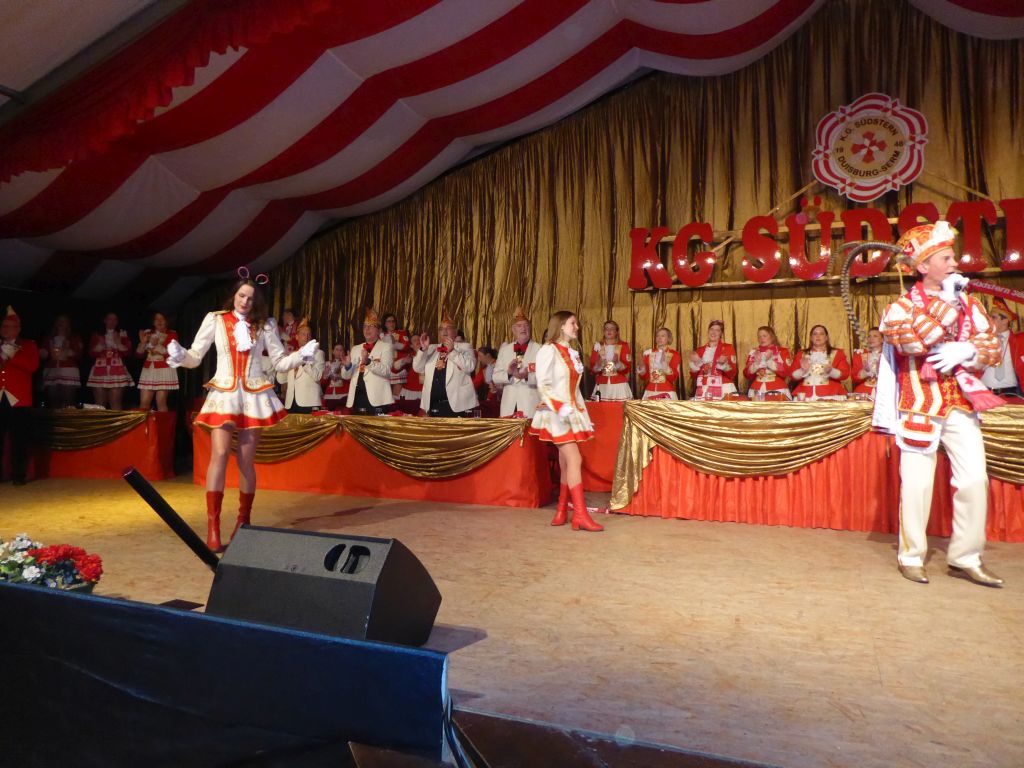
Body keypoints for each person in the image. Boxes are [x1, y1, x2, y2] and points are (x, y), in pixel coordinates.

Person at [875, 221, 1003, 587]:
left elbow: (992, 349)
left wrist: (969, 350)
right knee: (917, 486)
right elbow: (914, 342)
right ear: (923, 266)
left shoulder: (970, 304)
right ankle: (911, 556)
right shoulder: (900, 307)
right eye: (945, 258)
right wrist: (947, 304)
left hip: (961, 402)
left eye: (952, 257)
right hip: (919, 405)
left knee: (974, 480)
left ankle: (966, 556)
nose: (954, 263)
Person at [167, 273, 319, 551]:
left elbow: (280, 362)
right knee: (220, 453)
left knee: (246, 461)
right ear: (233, 296)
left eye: (250, 298)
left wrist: (301, 355)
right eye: (241, 295)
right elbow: (196, 356)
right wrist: (180, 356)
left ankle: (243, 520)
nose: (245, 301)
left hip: (253, 394)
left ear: (256, 301)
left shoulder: (265, 325)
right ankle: (213, 526)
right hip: (225, 392)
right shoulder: (215, 319)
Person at [530, 311, 603, 532]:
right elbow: (543, 385)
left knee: (565, 461)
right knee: (575, 458)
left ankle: (562, 509)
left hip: (570, 412)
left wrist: (582, 414)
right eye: (573, 323)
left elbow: (575, 389)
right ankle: (580, 514)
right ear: (561, 326)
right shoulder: (548, 350)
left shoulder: (572, 353)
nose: (577, 327)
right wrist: (560, 408)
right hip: (556, 413)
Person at [1, 306, 40, 485]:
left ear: (17, 329)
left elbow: (32, 366)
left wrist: (12, 357)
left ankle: (19, 474)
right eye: (3, 326)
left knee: (19, 439)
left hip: (19, 399)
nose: (4, 329)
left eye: (8, 326)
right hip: (1, 396)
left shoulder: (28, 345)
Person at [413, 312, 478, 417]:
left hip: (456, 405)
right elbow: (417, 368)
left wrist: (452, 351)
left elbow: (470, 367)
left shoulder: (464, 347)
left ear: (455, 332)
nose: (444, 331)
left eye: (448, 328)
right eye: (441, 329)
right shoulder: (431, 348)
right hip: (433, 403)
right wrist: (423, 349)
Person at [341, 308, 395, 415]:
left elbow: (387, 371)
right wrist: (347, 366)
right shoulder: (356, 348)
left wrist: (368, 362)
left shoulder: (386, 347)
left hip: (377, 399)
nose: (367, 329)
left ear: (378, 330)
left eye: (371, 326)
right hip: (357, 397)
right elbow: (345, 376)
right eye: (365, 326)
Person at [492, 307, 540, 418]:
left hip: (530, 404)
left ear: (530, 328)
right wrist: (509, 373)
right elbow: (495, 377)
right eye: (519, 326)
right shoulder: (505, 350)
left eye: (526, 325)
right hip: (509, 405)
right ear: (513, 330)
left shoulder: (540, 349)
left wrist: (526, 376)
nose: (523, 328)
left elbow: (545, 378)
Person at [278, 318, 325, 413]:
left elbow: (317, 376)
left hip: (309, 402)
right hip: (291, 403)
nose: (306, 337)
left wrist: (305, 362)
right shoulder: (293, 355)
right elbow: (281, 379)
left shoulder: (318, 353)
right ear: (297, 337)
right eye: (303, 334)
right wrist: (283, 363)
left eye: (309, 335)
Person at [791, 325, 850, 401]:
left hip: (830, 395)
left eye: (821, 334)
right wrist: (802, 370)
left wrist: (831, 371)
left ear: (826, 337)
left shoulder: (837, 353)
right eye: (815, 334)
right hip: (805, 396)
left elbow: (845, 374)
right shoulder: (801, 354)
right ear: (811, 338)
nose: (818, 336)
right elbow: (792, 376)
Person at [87, 312, 133, 409]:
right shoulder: (97, 335)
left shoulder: (122, 334)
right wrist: (100, 345)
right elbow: (91, 353)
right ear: (105, 320)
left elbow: (128, 352)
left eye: (115, 319)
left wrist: (118, 343)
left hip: (117, 370)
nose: (112, 321)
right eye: (110, 319)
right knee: (99, 405)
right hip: (100, 370)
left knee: (116, 404)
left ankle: (116, 420)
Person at [979, 297, 1023, 399]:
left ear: (1005, 320)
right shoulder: (983, 338)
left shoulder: (1020, 341)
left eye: (993, 317)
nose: (989, 320)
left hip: (1011, 393)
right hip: (984, 391)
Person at [136, 312, 179, 412]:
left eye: (162, 319)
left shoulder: (172, 334)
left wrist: (157, 345)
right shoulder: (147, 333)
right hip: (149, 369)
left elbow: (173, 354)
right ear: (153, 322)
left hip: (164, 369)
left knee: (161, 402)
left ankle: (162, 423)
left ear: (167, 321)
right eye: (156, 319)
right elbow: (139, 354)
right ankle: (145, 423)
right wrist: (143, 343)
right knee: (144, 403)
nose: (159, 321)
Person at [39, 314, 82, 408]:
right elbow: (43, 354)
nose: (61, 323)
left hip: (68, 370)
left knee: (68, 402)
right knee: (53, 401)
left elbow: (79, 354)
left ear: (68, 324)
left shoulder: (73, 338)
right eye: (59, 320)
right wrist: (43, 353)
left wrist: (70, 352)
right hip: (52, 371)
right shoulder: (49, 339)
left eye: (63, 321)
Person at [688, 320, 737, 399]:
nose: (713, 332)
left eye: (717, 330)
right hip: (704, 389)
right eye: (711, 329)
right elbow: (693, 376)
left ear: (721, 333)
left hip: (723, 389)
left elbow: (732, 373)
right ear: (708, 331)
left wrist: (723, 365)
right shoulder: (700, 350)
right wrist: (696, 363)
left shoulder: (728, 348)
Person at [744, 326, 792, 399]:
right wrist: (756, 364)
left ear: (772, 337)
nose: (761, 339)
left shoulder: (781, 351)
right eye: (759, 337)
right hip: (757, 388)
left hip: (777, 388)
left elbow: (786, 372)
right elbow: (747, 375)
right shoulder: (754, 352)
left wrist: (769, 361)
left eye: (764, 336)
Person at [590, 320, 632, 400]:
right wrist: (598, 365)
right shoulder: (598, 346)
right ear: (604, 331)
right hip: (602, 384)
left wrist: (617, 363)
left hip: (619, 384)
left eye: (612, 329)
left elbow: (627, 368)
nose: (609, 331)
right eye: (606, 329)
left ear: (617, 332)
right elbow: (592, 369)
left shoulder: (623, 345)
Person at [638, 327, 682, 399]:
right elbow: (644, 377)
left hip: (667, 391)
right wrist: (642, 367)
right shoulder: (648, 354)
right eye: (657, 336)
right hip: (650, 391)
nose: (659, 338)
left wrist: (664, 365)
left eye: (663, 336)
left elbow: (673, 377)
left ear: (668, 338)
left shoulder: (674, 354)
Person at [381, 313, 412, 398]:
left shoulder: (401, 333)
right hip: (386, 368)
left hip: (399, 367)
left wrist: (393, 343)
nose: (391, 323)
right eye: (389, 321)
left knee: (396, 397)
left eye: (393, 321)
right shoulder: (381, 335)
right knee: (386, 397)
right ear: (384, 323)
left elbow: (406, 346)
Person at [851, 329, 884, 399]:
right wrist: (865, 372)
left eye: (875, 336)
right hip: (865, 390)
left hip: (884, 390)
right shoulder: (860, 354)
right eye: (869, 336)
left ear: (882, 339)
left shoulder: (888, 355)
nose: (871, 339)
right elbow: (854, 377)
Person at [473, 346, 500, 417]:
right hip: (491, 399)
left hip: (501, 398)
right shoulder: (484, 370)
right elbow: (474, 384)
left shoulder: (500, 364)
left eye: (480, 356)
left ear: (488, 355)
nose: (479, 359)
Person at [322, 343, 350, 411]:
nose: (339, 352)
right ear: (333, 351)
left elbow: (350, 379)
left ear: (343, 352)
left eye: (341, 350)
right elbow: (322, 383)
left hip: (343, 395)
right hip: (329, 396)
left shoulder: (347, 363)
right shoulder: (327, 363)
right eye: (337, 350)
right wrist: (325, 375)